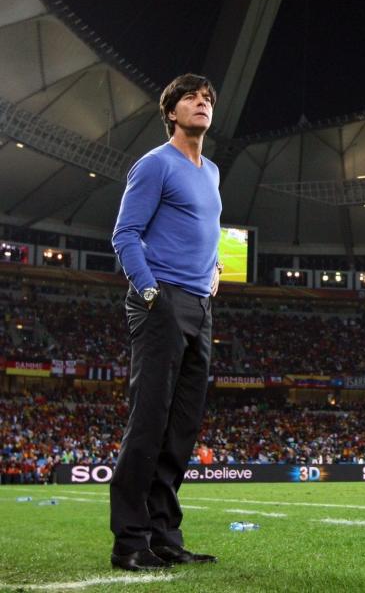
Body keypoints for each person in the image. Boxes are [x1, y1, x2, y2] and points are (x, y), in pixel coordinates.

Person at [109, 73, 222, 571]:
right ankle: (129, 542)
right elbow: (125, 233)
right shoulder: (154, 165)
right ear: (171, 111)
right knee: (150, 421)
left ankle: (164, 536)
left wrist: (215, 268)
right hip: (161, 300)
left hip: (200, 304)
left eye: (208, 99)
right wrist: (150, 289)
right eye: (192, 98)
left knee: (181, 428)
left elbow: (203, 230)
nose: (203, 103)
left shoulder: (213, 171)